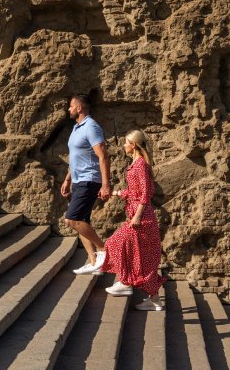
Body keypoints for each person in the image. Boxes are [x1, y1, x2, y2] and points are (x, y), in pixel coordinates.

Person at [99, 129, 166, 311]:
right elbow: (134, 191)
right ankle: (155, 301)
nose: (124, 146)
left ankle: (125, 283)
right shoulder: (136, 163)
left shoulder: (141, 165)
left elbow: (146, 193)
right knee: (142, 259)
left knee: (114, 243)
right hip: (138, 215)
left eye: (126, 142)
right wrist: (114, 193)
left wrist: (137, 216)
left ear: (133, 145)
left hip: (141, 218)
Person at [60, 93, 112, 274]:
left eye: (71, 106)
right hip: (78, 180)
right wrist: (68, 179)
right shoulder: (76, 128)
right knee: (82, 221)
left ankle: (103, 250)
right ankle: (94, 262)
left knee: (72, 219)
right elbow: (76, 157)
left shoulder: (91, 127)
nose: (69, 109)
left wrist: (106, 185)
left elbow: (103, 156)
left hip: (89, 180)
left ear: (79, 108)